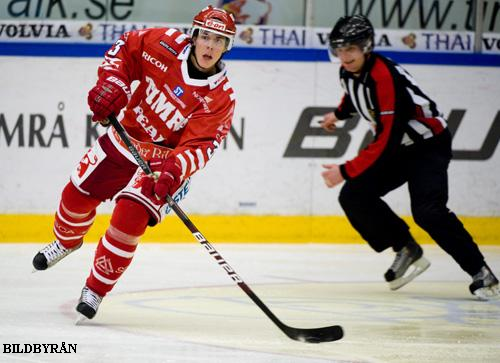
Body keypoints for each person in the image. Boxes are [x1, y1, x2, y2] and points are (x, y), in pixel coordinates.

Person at [32, 6, 237, 319]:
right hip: (124, 137)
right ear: (194, 36)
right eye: (206, 36)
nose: (210, 45)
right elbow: (125, 50)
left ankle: (95, 290)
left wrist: (174, 172)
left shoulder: (221, 96)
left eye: (219, 40)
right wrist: (114, 84)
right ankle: (66, 241)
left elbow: (200, 145)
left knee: (128, 219)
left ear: (227, 47)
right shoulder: (163, 43)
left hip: (164, 163)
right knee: (75, 197)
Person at [320, 15, 499, 300]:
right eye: (339, 50)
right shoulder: (347, 71)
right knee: (354, 196)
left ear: (366, 47)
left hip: (428, 146)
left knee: (428, 212)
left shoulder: (385, 77)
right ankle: (405, 247)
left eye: (351, 49)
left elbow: (387, 140)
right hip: (400, 147)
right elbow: (354, 96)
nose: (344, 56)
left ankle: (481, 272)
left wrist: (345, 169)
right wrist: (338, 115)